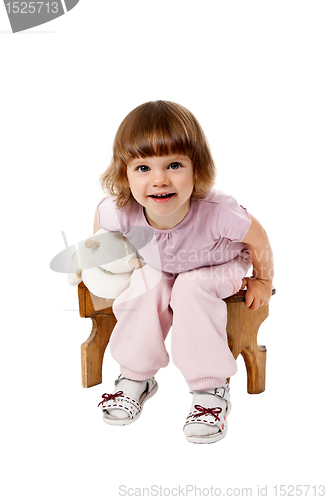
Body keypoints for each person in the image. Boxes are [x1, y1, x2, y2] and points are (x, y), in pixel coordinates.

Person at [94, 100, 274, 444]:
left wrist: (264, 279)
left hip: (218, 265)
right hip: (163, 264)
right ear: (125, 174)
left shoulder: (218, 211)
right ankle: (136, 376)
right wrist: (103, 263)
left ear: (197, 169)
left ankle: (210, 389)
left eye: (174, 164)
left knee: (191, 287)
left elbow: (258, 237)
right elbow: (100, 227)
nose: (159, 179)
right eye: (143, 168)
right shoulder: (122, 210)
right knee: (144, 285)